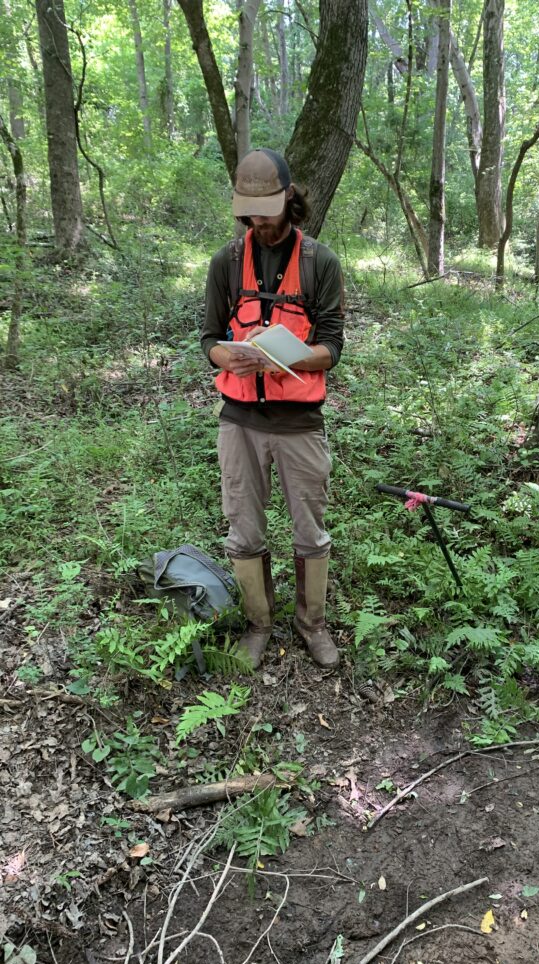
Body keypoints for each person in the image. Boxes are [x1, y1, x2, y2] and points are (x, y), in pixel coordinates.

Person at [201, 148, 344, 669]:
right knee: (244, 527)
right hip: (239, 421)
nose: (256, 220)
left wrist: (287, 358)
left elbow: (333, 346)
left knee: (310, 528)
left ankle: (312, 624)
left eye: (265, 208)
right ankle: (260, 625)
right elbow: (209, 337)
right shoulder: (224, 261)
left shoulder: (319, 262)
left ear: (288, 197)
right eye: (248, 210)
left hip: (299, 422)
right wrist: (228, 356)